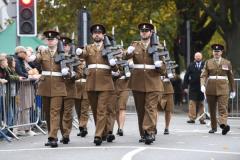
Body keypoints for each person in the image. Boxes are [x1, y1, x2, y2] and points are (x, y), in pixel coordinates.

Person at [76, 24, 118, 146]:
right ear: (92, 35)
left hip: (105, 83)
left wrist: (113, 64)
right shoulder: (88, 48)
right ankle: (103, 132)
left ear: (103, 35)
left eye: (99, 33)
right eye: (95, 33)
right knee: (95, 110)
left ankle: (98, 135)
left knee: (101, 110)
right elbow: (83, 54)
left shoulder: (109, 48)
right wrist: (79, 52)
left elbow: (116, 68)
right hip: (91, 83)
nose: (97, 34)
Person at [125, 22, 166, 144]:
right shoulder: (134, 45)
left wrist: (160, 65)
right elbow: (123, 57)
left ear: (151, 32)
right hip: (138, 82)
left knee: (150, 108)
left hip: (153, 81)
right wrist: (127, 53)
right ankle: (143, 133)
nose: (144, 32)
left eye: (146, 31)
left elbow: (164, 69)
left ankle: (149, 132)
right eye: (142, 31)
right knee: (141, 110)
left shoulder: (158, 47)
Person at [36, 30, 68, 147]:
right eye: (48, 40)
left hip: (58, 86)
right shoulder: (43, 52)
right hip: (45, 86)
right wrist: (39, 51)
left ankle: (53, 137)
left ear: (57, 40)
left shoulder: (63, 54)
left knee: (55, 112)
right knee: (48, 113)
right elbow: (36, 61)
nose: (50, 41)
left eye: (52, 39)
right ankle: (51, 135)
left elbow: (69, 72)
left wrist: (67, 72)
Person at [200, 44, 235, 135]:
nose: (216, 53)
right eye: (215, 52)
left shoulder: (227, 62)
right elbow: (204, 75)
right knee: (212, 109)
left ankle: (223, 124)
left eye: (218, 51)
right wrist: (202, 85)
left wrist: (233, 90)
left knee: (222, 107)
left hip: (223, 88)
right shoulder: (208, 62)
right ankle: (213, 127)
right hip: (210, 88)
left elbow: (231, 77)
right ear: (213, 52)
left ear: (221, 52)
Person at [183, 52, 206, 124]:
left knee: (201, 103)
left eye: (199, 56)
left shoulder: (205, 65)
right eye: (197, 56)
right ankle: (192, 118)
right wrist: (185, 87)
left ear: (201, 57)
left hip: (202, 87)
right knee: (192, 103)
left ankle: (202, 119)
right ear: (194, 57)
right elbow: (186, 76)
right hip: (193, 87)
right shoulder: (191, 65)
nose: (198, 58)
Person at [75, 59, 90, 137]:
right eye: (79, 60)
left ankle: (83, 126)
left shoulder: (87, 66)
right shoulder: (75, 66)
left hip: (85, 89)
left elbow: (88, 74)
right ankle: (83, 128)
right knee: (78, 110)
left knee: (84, 110)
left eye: (82, 60)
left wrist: (85, 67)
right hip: (76, 89)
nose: (81, 61)